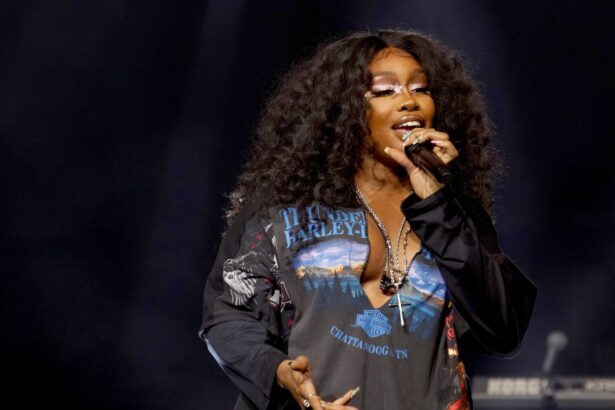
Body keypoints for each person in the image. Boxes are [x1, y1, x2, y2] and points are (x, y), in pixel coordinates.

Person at [199, 30, 536, 410]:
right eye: (385, 91)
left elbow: (504, 328)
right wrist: (279, 373)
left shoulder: (453, 212)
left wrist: (437, 201)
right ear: (344, 110)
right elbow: (228, 316)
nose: (408, 101)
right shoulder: (284, 206)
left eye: (421, 89)